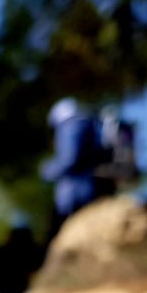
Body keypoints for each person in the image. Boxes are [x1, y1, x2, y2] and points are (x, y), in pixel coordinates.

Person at [40, 98, 102, 246]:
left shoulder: (70, 126)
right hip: (92, 187)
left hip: (76, 193)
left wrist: (47, 171)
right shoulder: (90, 124)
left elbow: (69, 160)